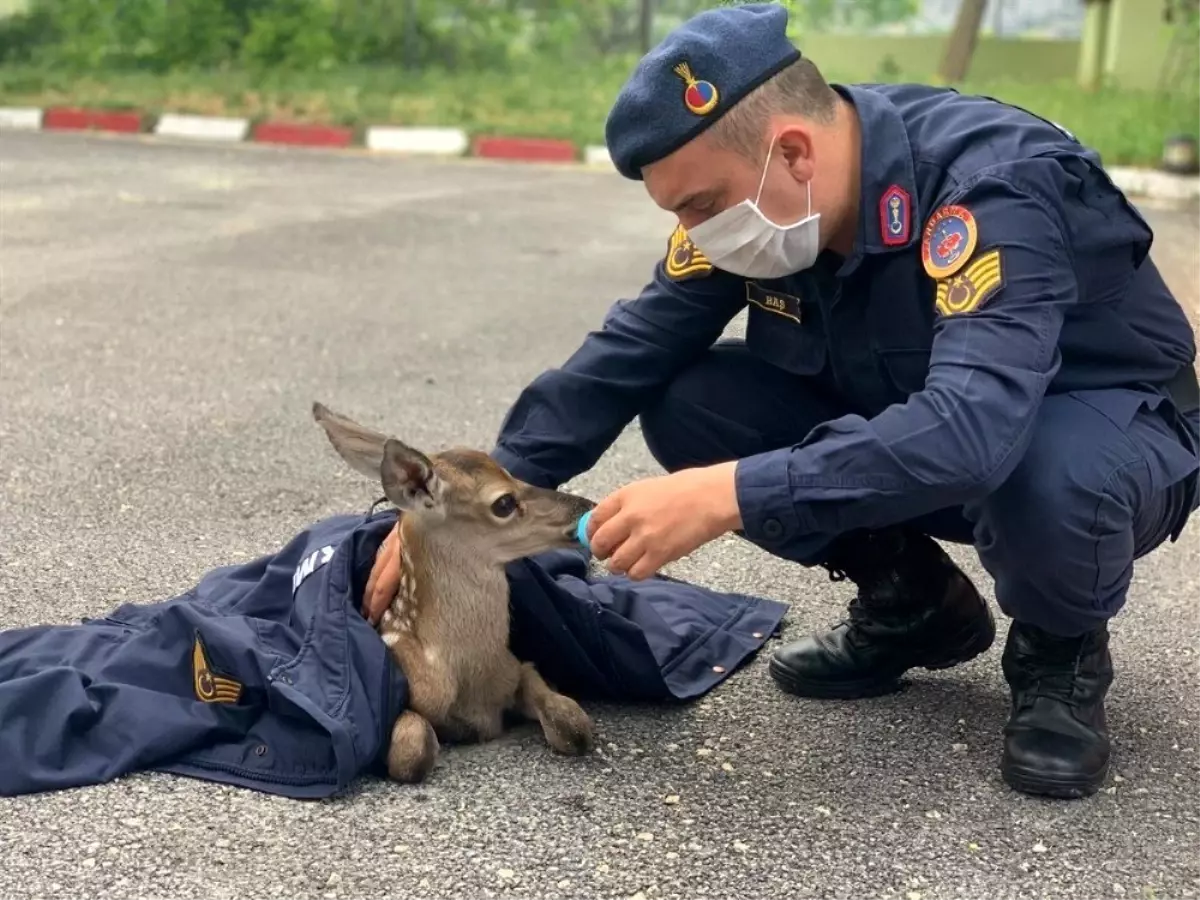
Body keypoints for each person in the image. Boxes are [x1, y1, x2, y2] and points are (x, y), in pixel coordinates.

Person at [365, 2, 1200, 799]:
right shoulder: (765, 198)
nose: (693, 234)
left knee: (1051, 473)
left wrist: (729, 493)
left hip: (1097, 427)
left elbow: (972, 429)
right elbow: (626, 355)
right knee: (694, 401)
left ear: (793, 152)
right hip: (925, 417)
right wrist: (449, 514)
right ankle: (914, 603)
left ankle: (1061, 651)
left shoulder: (990, 188)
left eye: (698, 205)